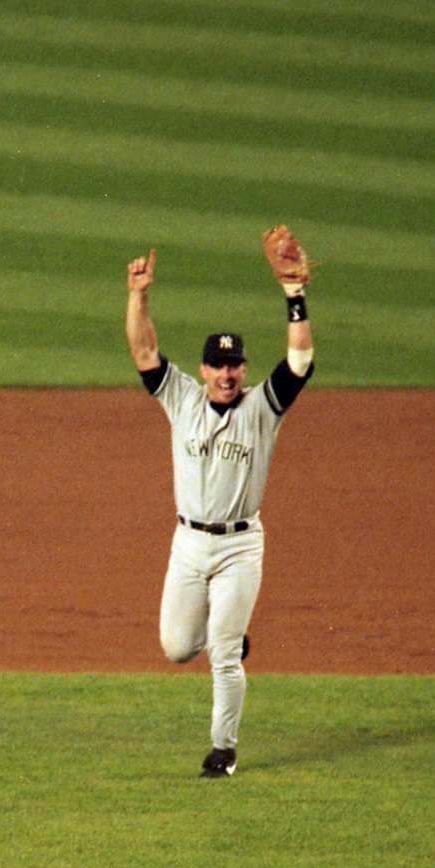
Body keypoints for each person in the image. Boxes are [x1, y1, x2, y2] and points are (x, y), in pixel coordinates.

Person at [124, 236, 315, 778]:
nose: (227, 374)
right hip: (187, 543)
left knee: (225, 657)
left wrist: (294, 294)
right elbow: (143, 352)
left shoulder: (263, 408)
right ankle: (227, 630)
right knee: (177, 647)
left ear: (243, 369)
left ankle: (223, 750)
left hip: (238, 546)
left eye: (235, 365)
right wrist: (138, 297)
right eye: (218, 365)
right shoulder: (180, 397)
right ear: (204, 369)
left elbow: (300, 360)